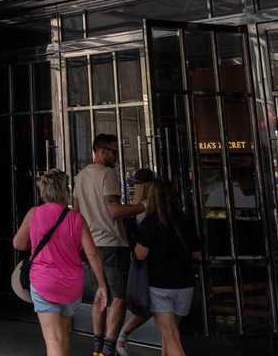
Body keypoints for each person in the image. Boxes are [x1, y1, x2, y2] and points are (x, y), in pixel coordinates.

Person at [14, 170, 109, 356]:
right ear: (65, 190)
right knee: (64, 337)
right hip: (71, 285)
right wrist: (102, 285)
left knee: (53, 341)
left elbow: (18, 244)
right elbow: (92, 254)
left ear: (43, 190)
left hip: (44, 283)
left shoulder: (34, 213)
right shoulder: (76, 217)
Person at [74, 134, 145, 356]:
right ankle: (109, 348)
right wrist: (143, 206)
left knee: (100, 293)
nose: (116, 156)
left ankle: (97, 348)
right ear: (101, 151)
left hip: (91, 245)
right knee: (118, 297)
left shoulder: (80, 177)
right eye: (113, 152)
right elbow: (113, 210)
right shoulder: (107, 174)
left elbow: (76, 213)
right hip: (112, 243)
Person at [135, 181, 202, 356]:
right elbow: (197, 254)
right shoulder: (185, 221)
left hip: (159, 286)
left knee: (170, 335)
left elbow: (140, 254)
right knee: (171, 334)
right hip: (185, 284)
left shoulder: (149, 223)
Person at [116, 169, 156, 356]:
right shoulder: (148, 208)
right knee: (154, 305)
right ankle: (123, 335)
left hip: (141, 261)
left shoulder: (134, 207)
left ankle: (122, 335)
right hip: (151, 263)